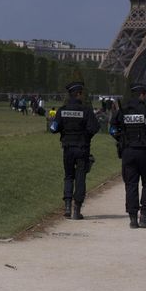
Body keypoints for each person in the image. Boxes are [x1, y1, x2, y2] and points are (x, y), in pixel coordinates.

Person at [110, 82, 146, 228]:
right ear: (142, 94)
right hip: (145, 152)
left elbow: (112, 129)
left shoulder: (122, 111)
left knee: (131, 184)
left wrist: (121, 139)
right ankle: (144, 215)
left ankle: (133, 218)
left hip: (128, 151)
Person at [54, 81, 100, 220]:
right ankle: (77, 209)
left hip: (67, 147)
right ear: (79, 94)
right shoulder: (86, 110)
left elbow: (53, 128)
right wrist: (85, 137)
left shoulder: (62, 110)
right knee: (80, 177)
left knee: (68, 176)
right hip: (82, 148)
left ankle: (67, 206)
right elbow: (94, 128)